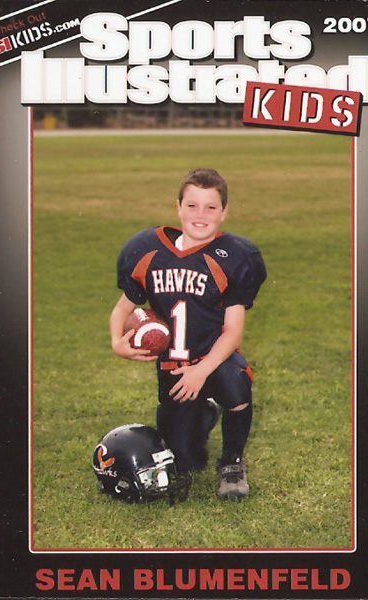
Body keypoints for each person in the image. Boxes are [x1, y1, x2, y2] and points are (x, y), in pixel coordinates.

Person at [109, 168, 266, 500]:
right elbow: (123, 307)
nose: (201, 215)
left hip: (214, 359)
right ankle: (205, 412)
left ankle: (232, 462)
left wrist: (202, 370)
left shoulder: (233, 256)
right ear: (178, 207)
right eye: (192, 205)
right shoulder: (147, 250)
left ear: (224, 212)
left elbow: (233, 332)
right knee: (185, 460)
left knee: (236, 380)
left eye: (211, 207)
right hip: (174, 368)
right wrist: (116, 342)